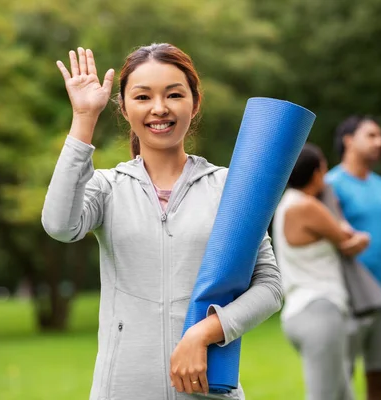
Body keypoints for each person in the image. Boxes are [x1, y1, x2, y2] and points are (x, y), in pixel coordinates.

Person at [42, 44, 282, 400]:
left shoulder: (229, 187)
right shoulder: (108, 188)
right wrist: (84, 117)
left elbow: (269, 286)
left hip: (208, 388)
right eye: (142, 96)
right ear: (123, 108)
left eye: (173, 94)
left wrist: (205, 332)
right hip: (121, 389)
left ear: (194, 103)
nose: (159, 108)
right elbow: (59, 224)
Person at [273, 143, 370, 400]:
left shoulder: (285, 206)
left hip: (297, 312)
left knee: (342, 394)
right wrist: (361, 238)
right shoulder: (308, 207)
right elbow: (347, 241)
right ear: (316, 173)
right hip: (320, 311)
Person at [326, 116, 381, 400]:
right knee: (342, 376)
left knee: (378, 375)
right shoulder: (331, 185)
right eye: (372, 135)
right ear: (349, 140)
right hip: (348, 296)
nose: (380, 142)